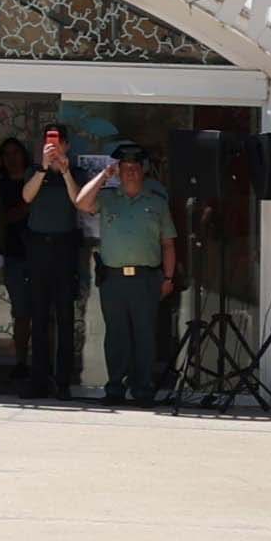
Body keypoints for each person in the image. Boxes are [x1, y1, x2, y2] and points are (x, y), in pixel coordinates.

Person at [78, 139, 175, 405]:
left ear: (143, 170)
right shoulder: (108, 198)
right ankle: (115, 388)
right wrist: (103, 175)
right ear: (118, 170)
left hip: (146, 278)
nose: (130, 171)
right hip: (114, 278)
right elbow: (82, 202)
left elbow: (168, 243)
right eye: (125, 167)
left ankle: (143, 388)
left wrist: (168, 277)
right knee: (117, 335)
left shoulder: (157, 203)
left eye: (135, 167)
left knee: (145, 335)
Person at [9, 126, 87, 398]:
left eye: (57, 143)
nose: (53, 148)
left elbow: (78, 200)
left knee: (65, 316)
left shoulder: (75, 172)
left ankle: (63, 381)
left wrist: (64, 171)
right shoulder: (34, 171)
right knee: (39, 316)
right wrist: (43, 168)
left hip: (64, 247)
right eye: (48, 143)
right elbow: (26, 197)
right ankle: (38, 378)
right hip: (38, 247)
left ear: (66, 145)